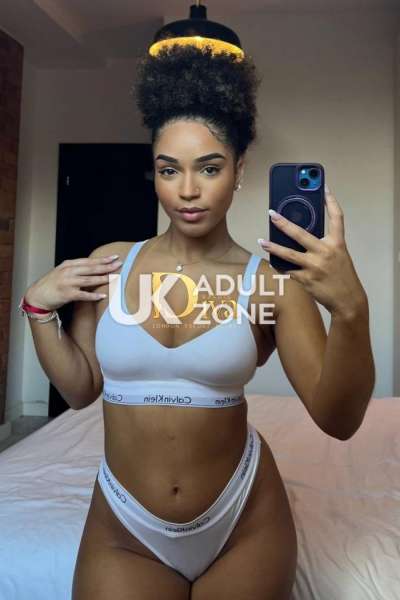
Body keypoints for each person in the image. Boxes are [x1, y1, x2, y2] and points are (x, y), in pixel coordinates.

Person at [22, 42, 374, 600]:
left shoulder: (270, 284)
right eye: (170, 170)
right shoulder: (112, 264)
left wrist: (352, 310)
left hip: (243, 521)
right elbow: (82, 388)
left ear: (238, 171)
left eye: (209, 168)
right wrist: (38, 309)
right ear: (155, 172)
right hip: (126, 527)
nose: (187, 190)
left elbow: (339, 420)